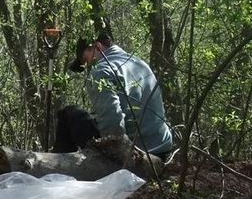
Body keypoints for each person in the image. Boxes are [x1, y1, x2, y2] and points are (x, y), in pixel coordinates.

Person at [61, 29, 174, 158]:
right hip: (163, 147)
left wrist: (114, 156)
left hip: (137, 153)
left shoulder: (101, 71)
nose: (88, 65)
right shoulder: (139, 63)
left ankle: (57, 171)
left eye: (87, 59)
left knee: (70, 114)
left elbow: (112, 125)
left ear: (98, 47)